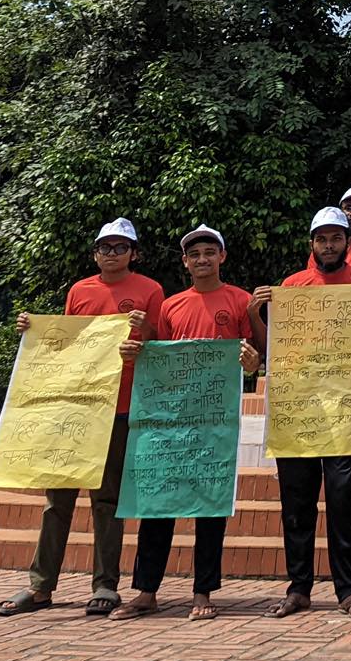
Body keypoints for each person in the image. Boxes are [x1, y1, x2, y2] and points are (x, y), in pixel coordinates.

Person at [0, 217, 164, 619]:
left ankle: (105, 585)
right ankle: (40, 586)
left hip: (120, 406)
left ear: (134, 253)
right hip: (76, 407)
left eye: (120, 247)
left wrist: (146, 333)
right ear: (95, 253)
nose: (112, 253)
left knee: (107, 500)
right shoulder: (80, 290)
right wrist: (33, 330)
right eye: (105, 247)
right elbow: (69, 344)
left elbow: (162, 344)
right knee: (57, 499)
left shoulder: (150, 291)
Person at [111, 224, 260, 622]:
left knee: (210, 506)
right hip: (170, 422)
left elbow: (254, 353)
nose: (203, 259)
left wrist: (251, 363)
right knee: (157, 504)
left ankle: (203, 591)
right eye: (195, 254)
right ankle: (146, 590)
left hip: (215, 421)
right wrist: (135, 345)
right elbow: (156, 359)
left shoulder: (241, 301)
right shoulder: (171, 306)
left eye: (210, 252)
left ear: (222, 257)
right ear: (185, 262)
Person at [255, 207, 351, 619]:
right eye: (321, 239)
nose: (328, 246)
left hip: (343, 414)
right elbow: (270, 351)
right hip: (299, 412)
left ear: (348, 243)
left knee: (342, 501)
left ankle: (349, 590)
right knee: (296, 504)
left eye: (336, 238)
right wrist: (253, 312)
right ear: (311, 243)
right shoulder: (293, 286)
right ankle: (299, 588)